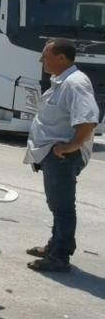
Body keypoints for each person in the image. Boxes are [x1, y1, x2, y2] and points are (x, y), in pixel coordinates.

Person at [24, 39, 100, 273]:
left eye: (45, 55)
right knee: (57, 204)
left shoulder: (75, 83)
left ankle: (59, 256)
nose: (41, 60)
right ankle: (56, 244)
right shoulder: (62, 81)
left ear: (62, 58)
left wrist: (71, 146)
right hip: (53, 155)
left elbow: (88, 119)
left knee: (63, 207)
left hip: (63, 157)